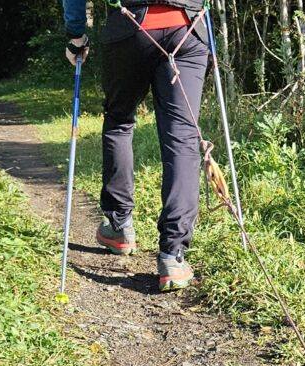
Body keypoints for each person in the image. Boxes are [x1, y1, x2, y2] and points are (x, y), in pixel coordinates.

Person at [62, 0, 208, 292]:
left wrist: (76, 34)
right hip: (187, 27)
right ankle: (173, 254)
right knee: (182, 137)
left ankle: (119, 227)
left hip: (129, 29)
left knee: (119, 120)